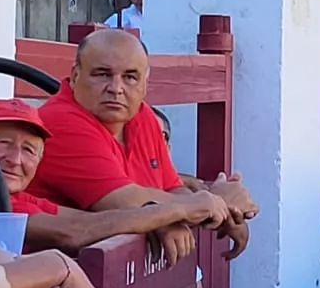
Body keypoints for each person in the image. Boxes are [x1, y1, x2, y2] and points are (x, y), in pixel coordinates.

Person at [31, 30, 256, 264]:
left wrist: (214, 206)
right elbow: (125, 204)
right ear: (75, 76)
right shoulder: (60, 122)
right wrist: (215, 202)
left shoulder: (142, 115)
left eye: (130, 77)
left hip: (114, 275)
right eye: (102, 74)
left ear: (145, 85)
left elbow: (172, 189)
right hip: (55, 280)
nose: (116, 88)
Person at [0, 95, 222, 256]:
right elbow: (73, 231)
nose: (16, 159)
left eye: (29, 149)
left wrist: (160, 217)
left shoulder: (20, 197)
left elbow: (87, 220)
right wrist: (178, 210)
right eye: (3, 143)